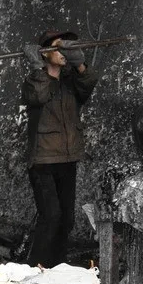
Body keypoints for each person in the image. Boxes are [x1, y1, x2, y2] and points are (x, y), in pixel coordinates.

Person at [21, 30, 99, 267]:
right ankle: (35, 270)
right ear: (45, 53)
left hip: (67, 159)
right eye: (58, 48)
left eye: (67, 48)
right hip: (43, 160)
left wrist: (80, 63)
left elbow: (88, 84)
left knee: (66, 219)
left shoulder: (70, 83)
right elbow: (38, 95)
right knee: (51, 216)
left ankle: (56, 268)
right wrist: (38, 67)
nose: (64, 53)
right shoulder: (35, 81)